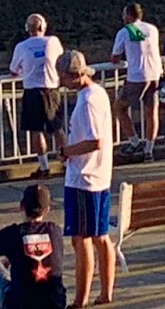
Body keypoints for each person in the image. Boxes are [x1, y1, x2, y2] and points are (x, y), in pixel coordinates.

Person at [58, 51, 115, 309]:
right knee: (100, 237)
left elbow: (95, 141)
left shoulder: (88, 100)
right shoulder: (99, 93)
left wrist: (67, 151)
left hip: (85, 177)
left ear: (73, 76)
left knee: (81, 239)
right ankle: (106, 291)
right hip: (99, 176)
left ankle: (80, 299)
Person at [0, 184, 66, 309]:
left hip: (20, 305)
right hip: (54, 304)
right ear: (47, 210)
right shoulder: (55, 231)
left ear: (21, 206)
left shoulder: (13, 233)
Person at [11, 15, 65, 174]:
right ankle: (68, 163)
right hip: (51, 89)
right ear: (44, 27)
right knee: (57, 128)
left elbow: (13, 71)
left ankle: (44, 166)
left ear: (27, 29)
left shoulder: (21, 47)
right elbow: (60, 60)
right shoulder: (53, 42)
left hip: (32, 91)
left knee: (36, 130)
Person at [110, 4, 162, 159]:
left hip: (137, 76)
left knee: (119, 108)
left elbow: (115, 57)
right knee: (151, 111)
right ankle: (149, 150)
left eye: (124, 14)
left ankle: (134, 141)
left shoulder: (125, 31)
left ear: (129, 16)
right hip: (155, 74)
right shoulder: (152, 29)